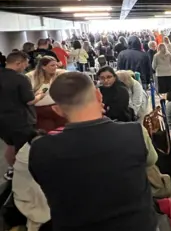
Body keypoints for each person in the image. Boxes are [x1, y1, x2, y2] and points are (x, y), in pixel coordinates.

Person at [29, 72, 159, 231]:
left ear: (57, 110)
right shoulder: (135, 133)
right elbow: (151, 160)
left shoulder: (40, 149)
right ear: (98, 95)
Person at [0, 51, 44, 180]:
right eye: (25, 64)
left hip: (2, 121)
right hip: (19, 120)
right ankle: (25, 174)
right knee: (24, 148)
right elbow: (30, 100)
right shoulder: (20, 78)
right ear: (18, 63)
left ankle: (11, 169)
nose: (26, 67)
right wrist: (40, 95)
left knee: (10, 145)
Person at [26, 56, 67, 133]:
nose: (55, 67)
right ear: (43, 67)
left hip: (57, 108)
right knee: (48, 132)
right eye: (52, 65)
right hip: (41, 112)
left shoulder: (58, 74)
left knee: (63, 131)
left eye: (56, 65)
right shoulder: (31, 77)